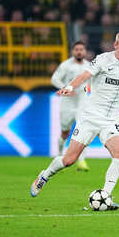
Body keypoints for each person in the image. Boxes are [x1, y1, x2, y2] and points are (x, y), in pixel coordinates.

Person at [30, 30, 119, 210]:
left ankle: (106, 196)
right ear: (115, 45)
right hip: (89, 117)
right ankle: (45, 175)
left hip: (111, 121)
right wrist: (70, 86)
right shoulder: (103, 59)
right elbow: (84, 76)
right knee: (69, 160)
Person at [51, 41, 90, 171]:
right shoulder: (66, 65)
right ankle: (59, 155)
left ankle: (81, 160)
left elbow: (93, 83)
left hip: (82, 103)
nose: (79, 51)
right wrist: (65, 88)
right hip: (67, 103)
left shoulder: (89, 66)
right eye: (77, 49)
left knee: (83, 131)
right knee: (65, 132)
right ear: (73, 51)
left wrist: (90, 92)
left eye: (81, 49)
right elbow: (54, 79)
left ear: (84, 51)